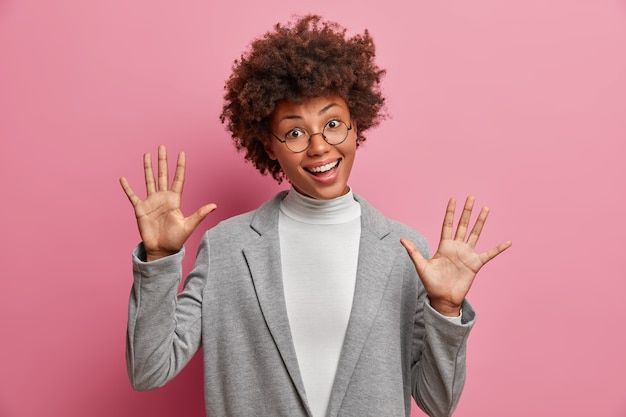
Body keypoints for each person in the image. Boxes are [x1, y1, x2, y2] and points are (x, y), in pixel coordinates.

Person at [119, 14, 511, 417]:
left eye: (333, 124)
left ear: (357, 125)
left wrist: (445, 310)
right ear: (269, 147)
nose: (319, 147)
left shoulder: (403, 252)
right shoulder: (226, 248)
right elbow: (149, 369)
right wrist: (159, 262)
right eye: (294, 132)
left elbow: (438, 403)